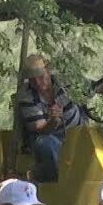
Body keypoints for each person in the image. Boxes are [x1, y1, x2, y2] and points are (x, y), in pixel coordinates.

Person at [17, 54, 85, 182]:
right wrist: (54, 120)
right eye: (32, 79)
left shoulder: (66, 82)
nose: (38, 82)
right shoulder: (26, 96)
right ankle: (59, 184)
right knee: (45, 143)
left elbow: (95, 87)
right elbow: (41, 128)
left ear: (48, 71)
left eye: (41, 77)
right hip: (52, 137)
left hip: (79, 134)